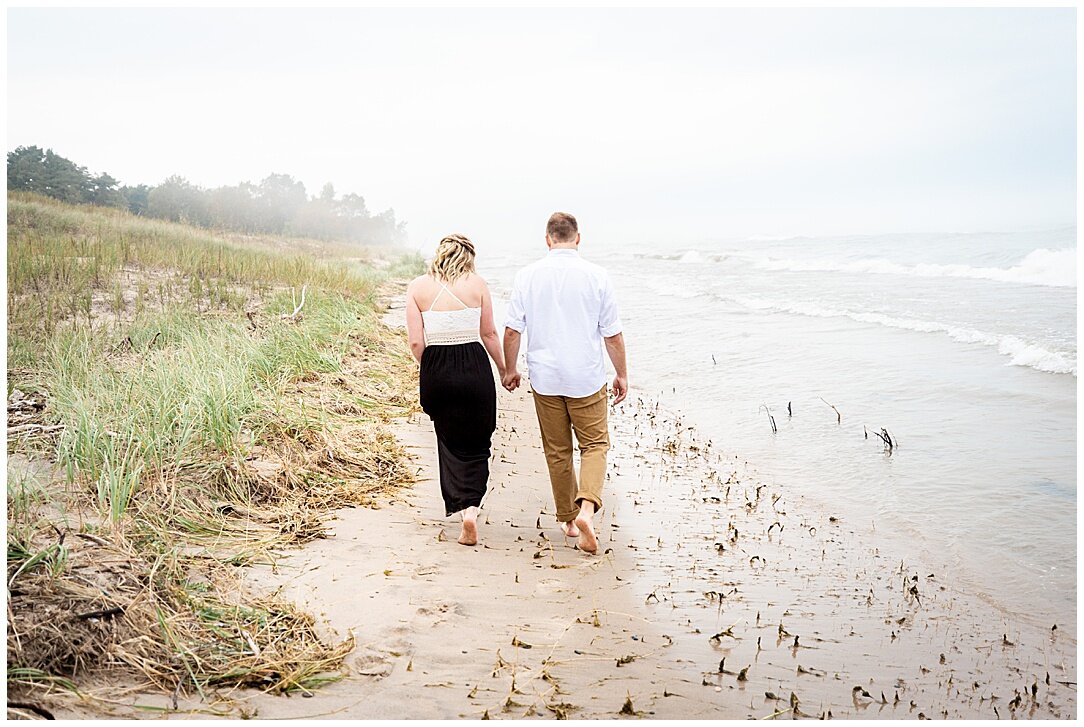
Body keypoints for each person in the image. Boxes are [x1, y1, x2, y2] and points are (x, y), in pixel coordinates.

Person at [501, 212, 628, 555]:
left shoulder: (527, 276)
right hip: (585, 377)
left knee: (557, 451)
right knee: (595, 445)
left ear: (547, 239)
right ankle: (587, 508)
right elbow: (612, 335)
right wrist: (622, 374)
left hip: (546, 378)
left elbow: (513, 331)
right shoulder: (597, 276)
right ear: (577, 238)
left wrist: (509, 369)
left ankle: (569, 521)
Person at [405, 234, 506, 546]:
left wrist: (432, 366)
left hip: (437, 368)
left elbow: (415, 342)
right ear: (469, 257)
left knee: (448, 439)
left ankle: (460, 506)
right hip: (474, 366)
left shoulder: (418, 287)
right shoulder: (477, 285)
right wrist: (504, 369)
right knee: (478, 441)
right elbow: (488, 332)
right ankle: (472, 511)